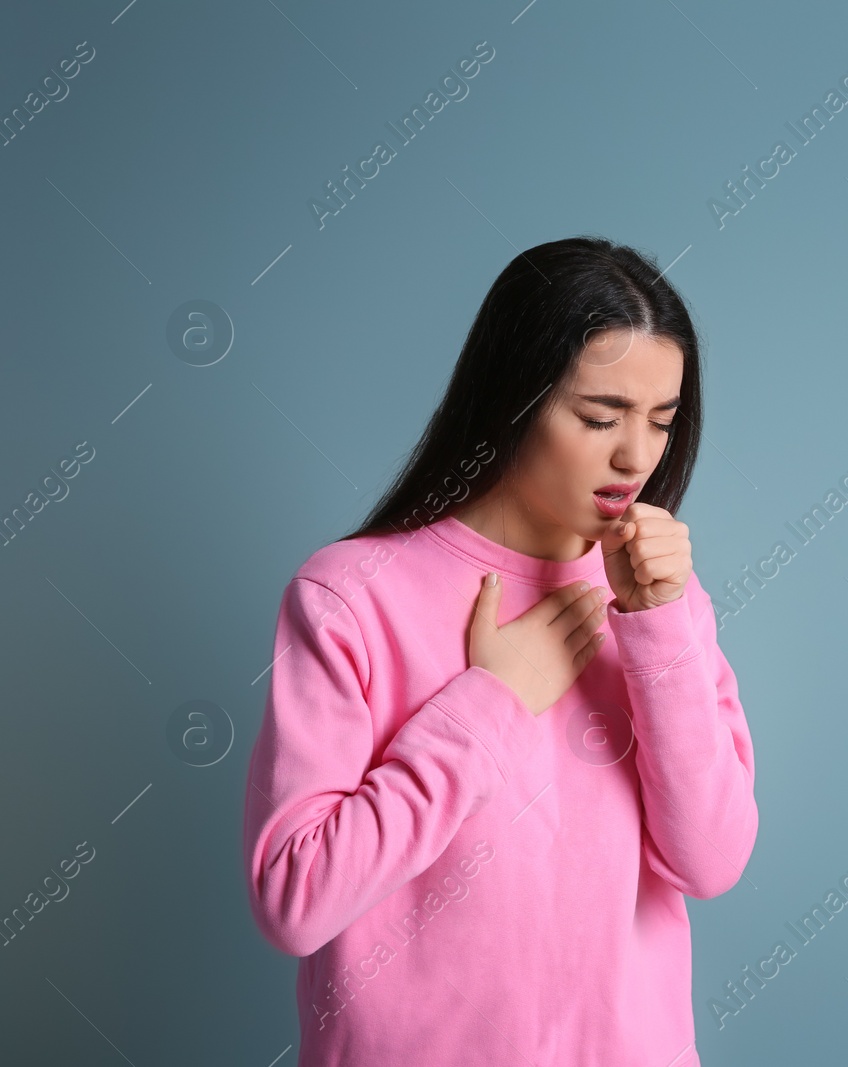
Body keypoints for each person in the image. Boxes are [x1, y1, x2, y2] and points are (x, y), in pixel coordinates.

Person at [241, 236, 757, 1066]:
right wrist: (491, 701)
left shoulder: (663, 596)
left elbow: (711, 860)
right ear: (512, 398)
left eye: (661, 420)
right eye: (599, 416)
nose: (636, 455)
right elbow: (296, 898)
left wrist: (658, 626)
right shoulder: (351, 594)